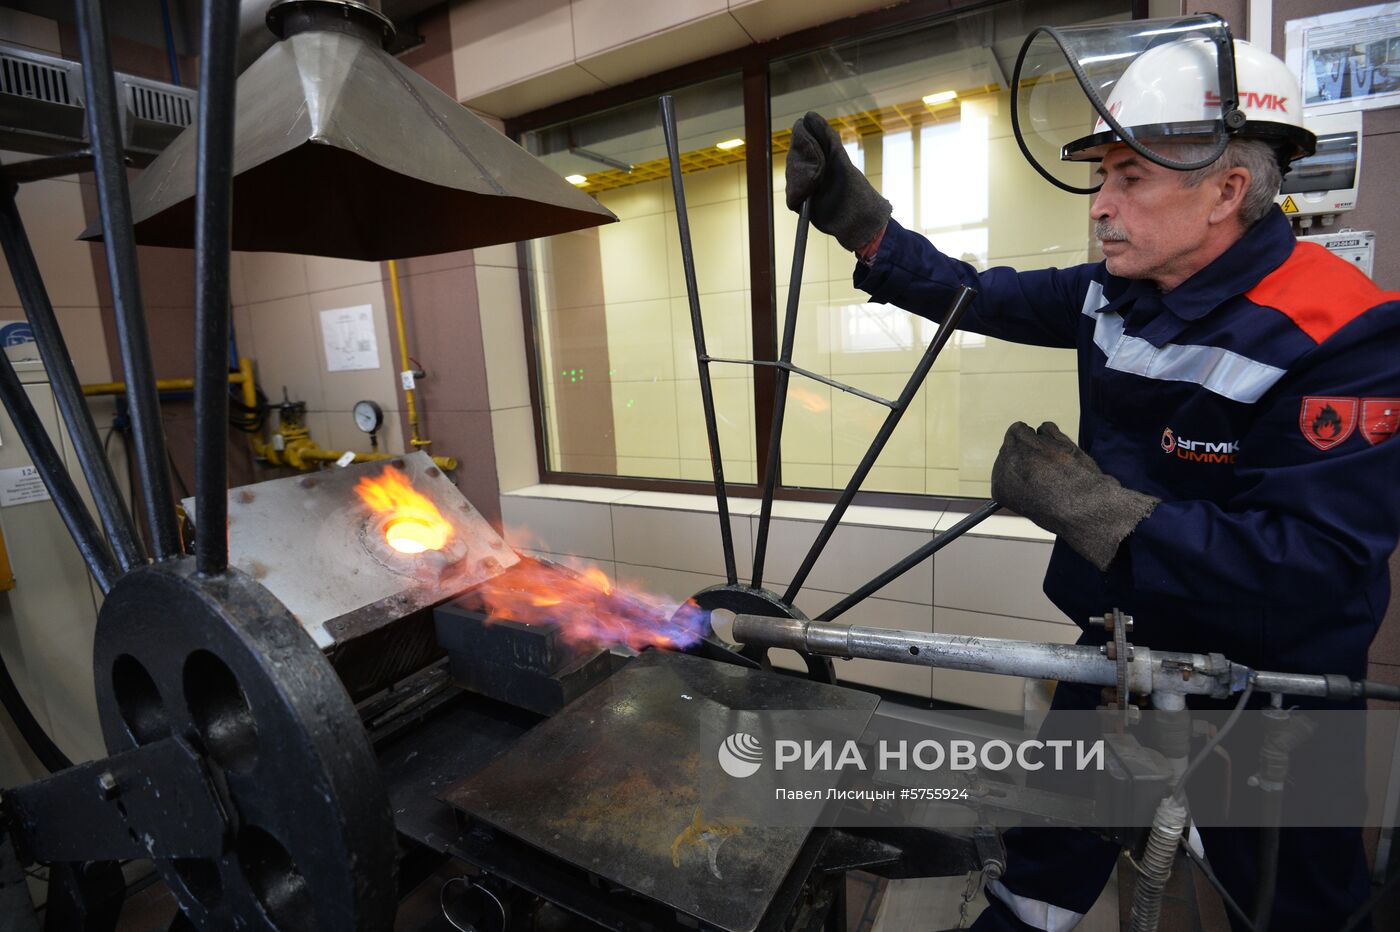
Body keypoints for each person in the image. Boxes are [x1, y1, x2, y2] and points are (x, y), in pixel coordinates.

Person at [784, 28, 1400, 932]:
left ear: (1229, 189)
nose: (1100, 205)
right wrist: (866, 229)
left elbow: (1315, 562)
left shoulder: (1346, 333)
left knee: (1292, 900)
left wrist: (1099, 512)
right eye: (1100, 176)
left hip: (1273, 694)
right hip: (1117, 649)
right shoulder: (1117, 290)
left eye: (1130, 178)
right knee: (1050, 843)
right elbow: (978, 295)